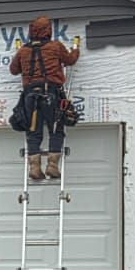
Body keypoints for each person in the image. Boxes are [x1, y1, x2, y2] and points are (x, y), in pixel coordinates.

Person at [9, 16, 80, 181]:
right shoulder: (55, 47)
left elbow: (13, 70)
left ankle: (34, 167)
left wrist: (19, 56)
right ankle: (52, 166)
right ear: (48, 32)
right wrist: (76, 49)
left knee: (33, 132)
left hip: (30, 96)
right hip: (51, 93)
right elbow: (70, 60)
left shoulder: (24, 51)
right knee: (56, 128)